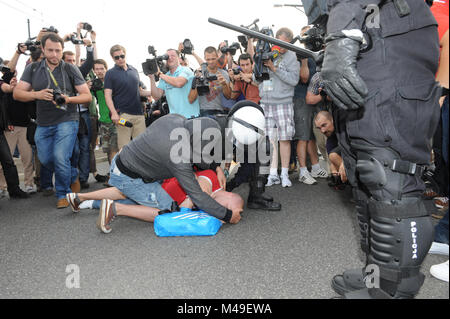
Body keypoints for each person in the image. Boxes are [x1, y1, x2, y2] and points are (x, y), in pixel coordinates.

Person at [302, 0, 443, 298]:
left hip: (386, 28)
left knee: (388, 170)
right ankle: (376, 274)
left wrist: (341, 34)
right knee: (364, 171)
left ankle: (392, 287)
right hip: (369, 30)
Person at [67, 114, 242, 233]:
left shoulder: (176, 119)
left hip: (124, 162)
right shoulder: (178, 156)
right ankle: (114, 209)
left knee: (127, 190)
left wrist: (215, 167)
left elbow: (196, 153)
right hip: (132, 176)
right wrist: (227, 215)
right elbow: (196, 195)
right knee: (169, 210)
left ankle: (80, 198)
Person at [13, 33, 92, 208]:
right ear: (43, 49)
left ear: (62, 50)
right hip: (43, 122)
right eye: (50, 50)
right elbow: (17, 93)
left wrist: (69, 99)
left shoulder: (70, 68)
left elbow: (87, 96)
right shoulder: (33, 69)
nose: (54, 54)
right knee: (46, 159)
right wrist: (36, 94)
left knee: (60, 156)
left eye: (58, 50)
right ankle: (73, 175)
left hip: (67, 119)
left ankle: (63, 193)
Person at [259, 28, 300, 188]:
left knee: (284, 139)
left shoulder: (292, 56)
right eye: (279, 42)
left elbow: (294, 80)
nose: (281, 47)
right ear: (274, 39)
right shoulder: (266, 51)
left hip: (283, 102)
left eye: (285, 44)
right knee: (269, 140)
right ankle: (272, 173)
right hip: (266, 103)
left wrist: (274, 68)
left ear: (289, 43)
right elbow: (258, 78)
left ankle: (284, 174)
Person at [104, 45, 148, 150]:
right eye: (116, 57)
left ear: (125, 55)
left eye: (122, 56)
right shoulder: (110, 73)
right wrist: (114, 113)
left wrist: (160, 91)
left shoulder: (134, 70)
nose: (120, 59)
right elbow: (107, 95)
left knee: (142, 148)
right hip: (123, 116)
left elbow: (140, 92)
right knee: (124, 150)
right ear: (112, 58)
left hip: (139, 115)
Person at [149, 49, 200, 119]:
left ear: (179, 58)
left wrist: (159, 74)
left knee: (196, 130)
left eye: (173, 56)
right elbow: (156, 96)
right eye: (167, 56)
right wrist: (151, 78)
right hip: (175, 119)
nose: (170, 58)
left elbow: (179, 83)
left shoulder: (186, 70)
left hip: (193, 117)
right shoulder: (166, 76)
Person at [188, 46, 232, 117]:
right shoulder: (200, 74)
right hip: (203, 111)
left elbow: (228, 96)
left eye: (213, 59)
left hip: (218, 111)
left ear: (217, 57)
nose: (211, 62)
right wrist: (198, 83)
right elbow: (191, 99)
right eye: (208, 59)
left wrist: (224, 84)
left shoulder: (224, 74)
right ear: (204, 58)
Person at [314, 111, 347, 186]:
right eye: (319, 128)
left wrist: (344, 162)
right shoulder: (330, 136)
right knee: (332, 157)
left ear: (332, 120)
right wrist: (334, 172)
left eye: (324, 125)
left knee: (334, 156)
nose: (322, 131)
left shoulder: (345, 126)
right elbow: (331, 157)